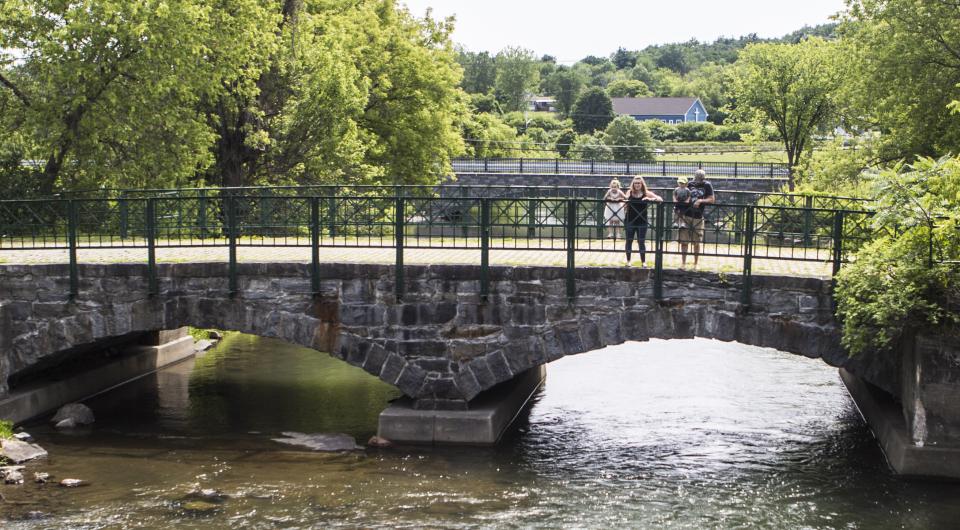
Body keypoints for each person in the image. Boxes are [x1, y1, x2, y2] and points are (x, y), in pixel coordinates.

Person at [673, 169, 715, 268]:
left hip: (698, 216)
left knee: (696, 241)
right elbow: (680, 192)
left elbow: (712, 199)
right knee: (684, 241)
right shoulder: (689, 184)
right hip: (686, 214)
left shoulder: (707, 185)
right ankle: (683, 263)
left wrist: (700, 201)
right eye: (697, 179)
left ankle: (695, 264)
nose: (698, 181)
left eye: (700, 179)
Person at [624, 175, 662, 266]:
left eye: (639, 183)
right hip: (630, 220)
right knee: (629, 240)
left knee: (641, 241)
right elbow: (624, 202)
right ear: (633, 184)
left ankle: (643, 262)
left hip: (642, 221)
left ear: (642, 184)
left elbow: (660, 199)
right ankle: (628, 261)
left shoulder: (646, 193)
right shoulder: (629, 192)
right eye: (635, 183)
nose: (637, 185)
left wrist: (650, 199)